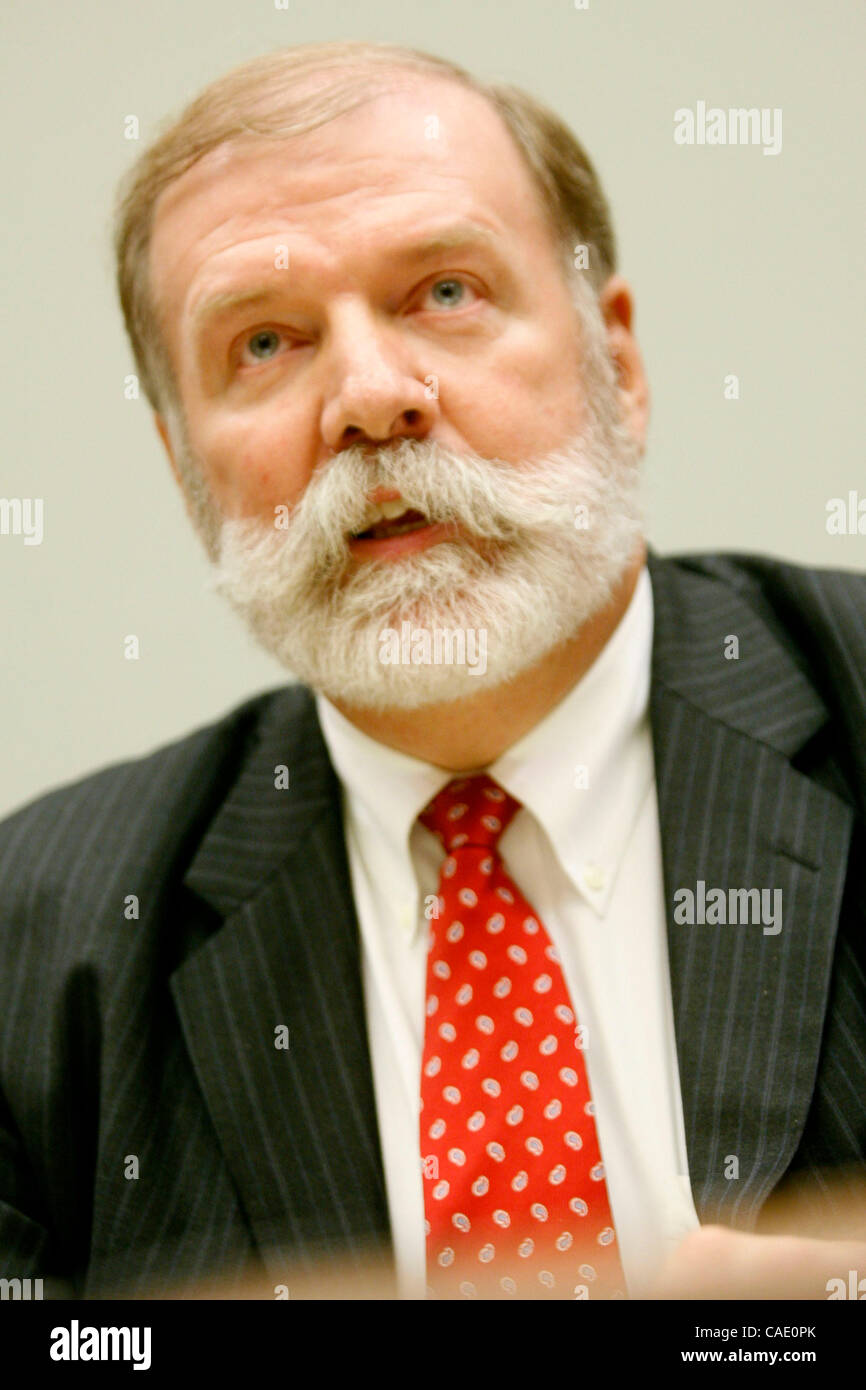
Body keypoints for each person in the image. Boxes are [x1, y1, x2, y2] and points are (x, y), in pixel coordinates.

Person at [0, 39, 864, 1301]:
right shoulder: (38, 950)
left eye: (444, 293)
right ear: (187, 474)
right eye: (263, 344)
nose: (367, 396)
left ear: (615, 365)